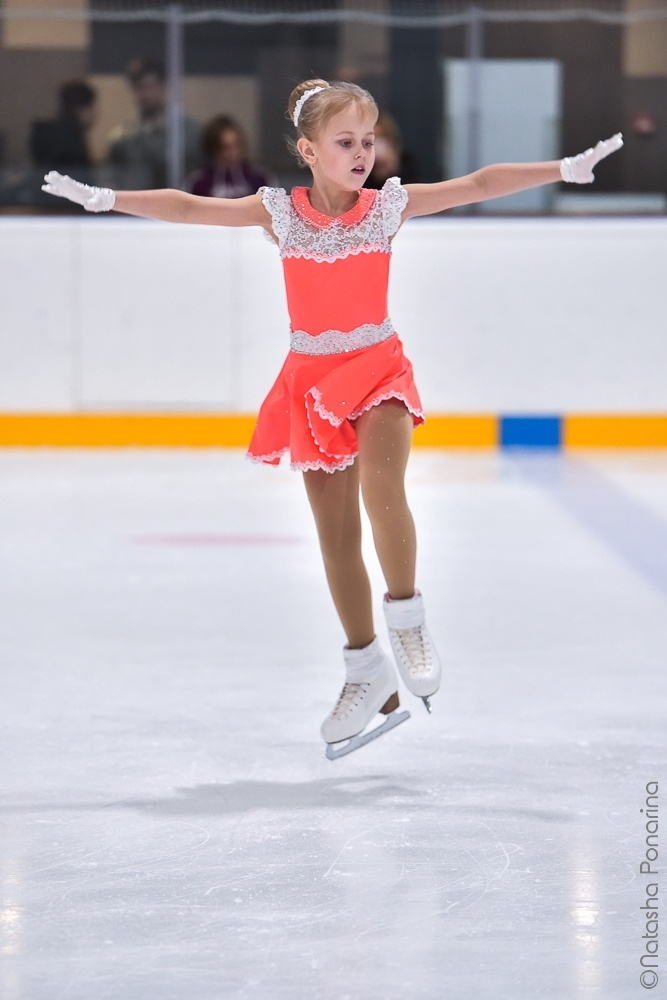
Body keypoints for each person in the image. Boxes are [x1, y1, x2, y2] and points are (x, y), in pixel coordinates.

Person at [41, 79, 623, 759]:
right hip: (311, 382)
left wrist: (561, 169)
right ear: (307, 151)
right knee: (335, 538)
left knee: (383, 490)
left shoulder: (387, 209)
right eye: (344, 142)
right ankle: (365, 672)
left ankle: (406, 618)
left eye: (367, 140)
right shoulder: (278, 214)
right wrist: (106, 198)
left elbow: (478, 181)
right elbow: (188, 208)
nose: (360, 153)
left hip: (378, 370)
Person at [107, 57, 201, 189]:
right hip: (138, 206)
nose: (146, 94)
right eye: (139, 87)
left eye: (151, 85)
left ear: (163, 86)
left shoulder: (191, 132)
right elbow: (113, 184)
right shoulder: (122, 139)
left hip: (180, 204)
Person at [186, 114, 276, 198]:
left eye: (236, 145)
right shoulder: (199, 183)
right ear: (213, 149)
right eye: (225, 147)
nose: (232, 152)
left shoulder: (260, 179)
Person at [30, 79, 97, 170]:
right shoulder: (70, 140)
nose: (94, 114)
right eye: (91, 107)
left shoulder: (48, 133)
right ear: (79, 109)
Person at [365, 111, 417, 188]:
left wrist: (391, 167)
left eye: (381, 137)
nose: (377, 143)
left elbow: (410, 189)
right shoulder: (360, 162)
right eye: (373, 138)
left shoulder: (405, 160)